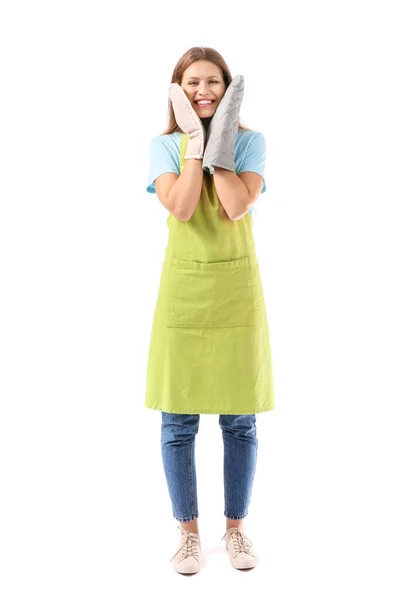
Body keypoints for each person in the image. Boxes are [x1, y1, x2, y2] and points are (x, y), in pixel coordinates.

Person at [145, 46, 275, 575]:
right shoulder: (164, 147)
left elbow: (234, 204)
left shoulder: (250, 143)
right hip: (184, 292)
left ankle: (237, 530)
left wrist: (220, 143)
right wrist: (194, 144)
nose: (204, 91)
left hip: (234, 290)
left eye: (214, 82)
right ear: (177, 89)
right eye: (192, 82)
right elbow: (179, 204)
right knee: (178, 419)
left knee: (239, 419)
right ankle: (188, 534)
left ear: (227, 89)